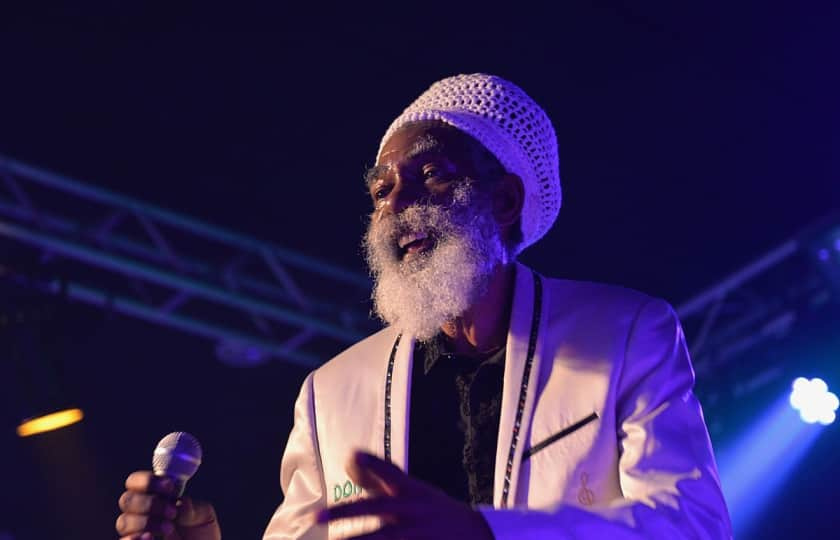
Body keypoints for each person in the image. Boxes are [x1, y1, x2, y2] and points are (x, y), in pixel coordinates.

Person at [116, 73, 732, 540]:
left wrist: (484, 532)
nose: (394, 203)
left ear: (505, 202)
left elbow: (693, 524)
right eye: (381, 189)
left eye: (430, 172)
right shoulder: (332, 391)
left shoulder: (624, 333)